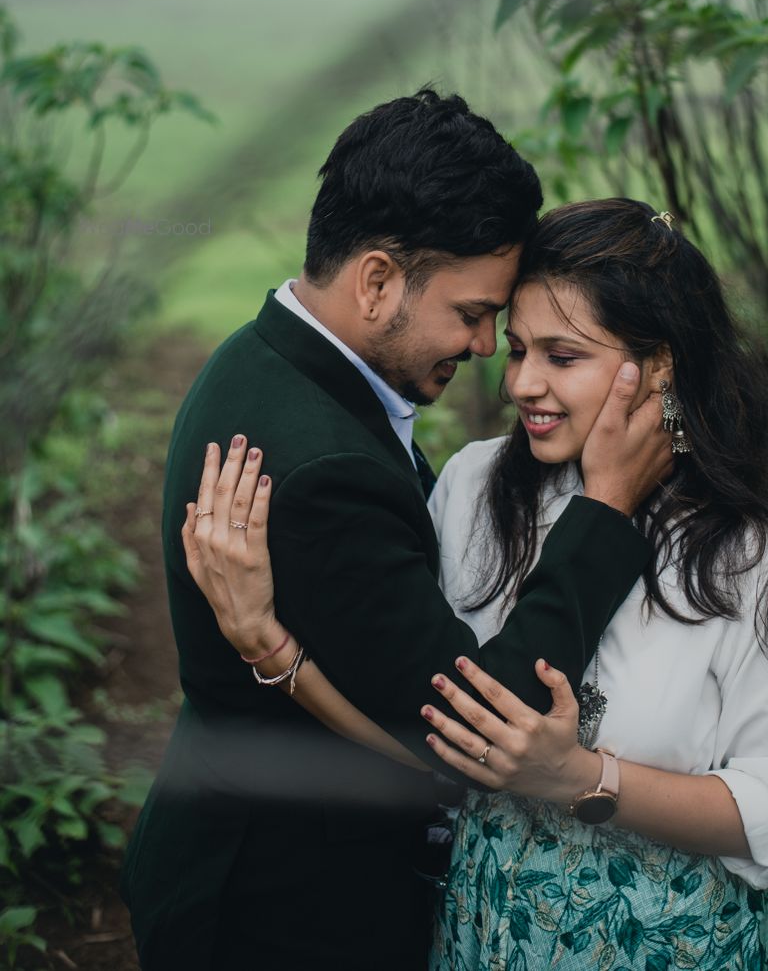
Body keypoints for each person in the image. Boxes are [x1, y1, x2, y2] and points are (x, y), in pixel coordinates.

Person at [184, 198, 768, 970]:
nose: (524, 382)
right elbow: (431, 735)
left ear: (659, 365)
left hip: (669, 944)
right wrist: (268, 642)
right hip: (482, 928)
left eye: (563, 357)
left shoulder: (757, 558)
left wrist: (583, 778)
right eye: (519, 349)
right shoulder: (473, 490)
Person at [120, 96, 672, 971]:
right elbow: (474, 726)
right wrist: (604, 510)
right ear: (377, 280)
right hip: (284, 908)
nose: (490, 346)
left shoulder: (263, 354)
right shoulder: (322, 471)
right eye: (473, 312)